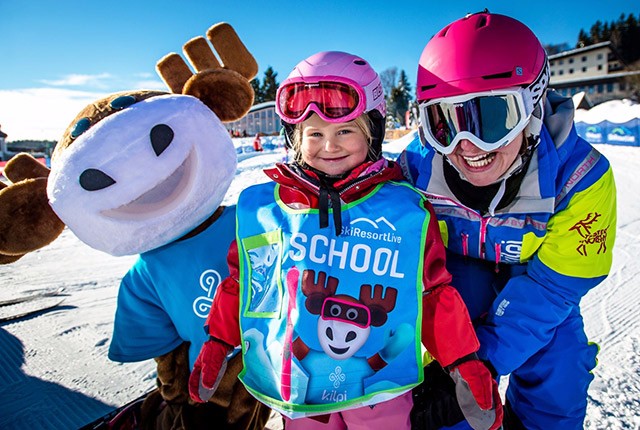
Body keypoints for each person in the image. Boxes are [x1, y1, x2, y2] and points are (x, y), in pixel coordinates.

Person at [188, 51, 502, 429]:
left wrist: (463, 362)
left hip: (378, 390)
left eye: (345, 132)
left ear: (371, 133)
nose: (329, 146)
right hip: (300, 389)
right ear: (296, 138)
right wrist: (218, 342)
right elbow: (247, 283)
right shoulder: (268, 208)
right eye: (315, 134)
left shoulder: (404, 211)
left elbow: (432, 293)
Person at [398, 11, 617, 430]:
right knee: (450, 367)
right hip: (458, 275)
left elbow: (554, 287)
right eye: (444, 124)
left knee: (561, 363)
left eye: (492, 119)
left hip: (537, 277)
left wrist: (482, 361)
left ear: (533, 107)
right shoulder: (417, 170)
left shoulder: (580, 178)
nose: (466, 145)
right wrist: (458, 367)